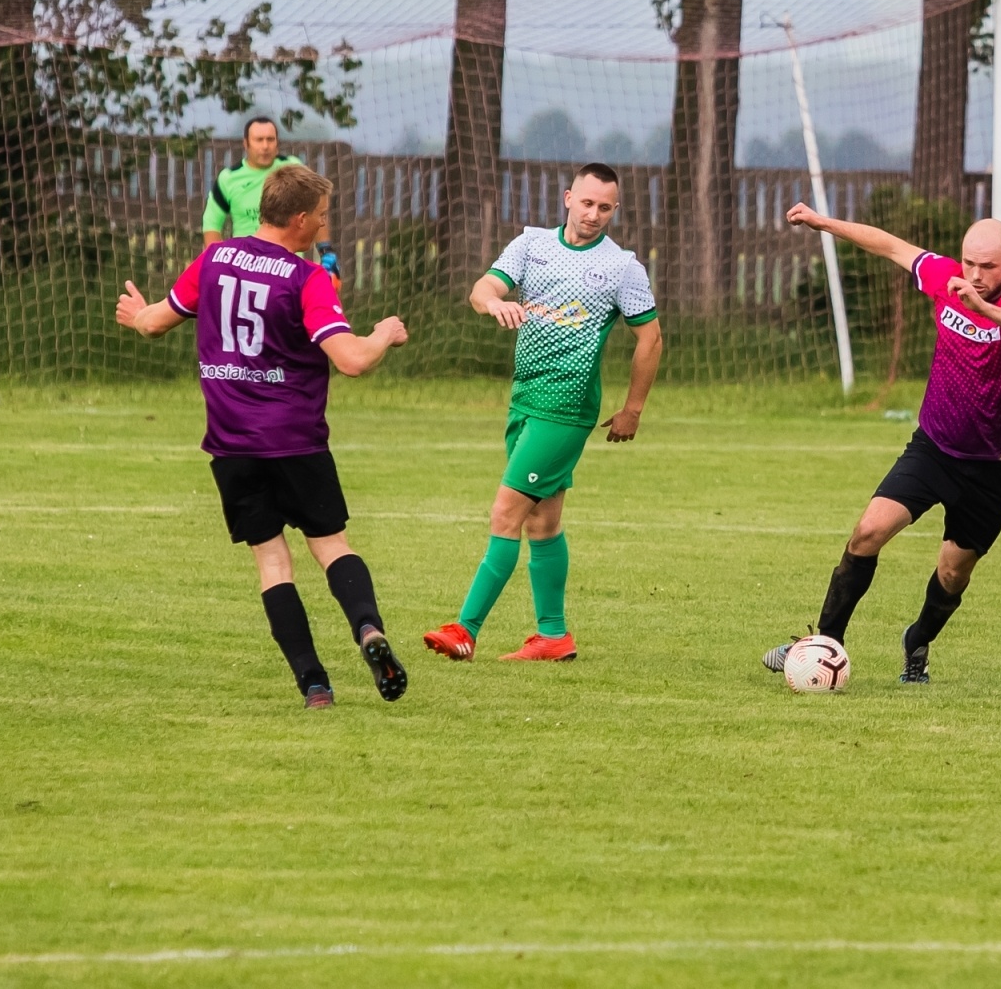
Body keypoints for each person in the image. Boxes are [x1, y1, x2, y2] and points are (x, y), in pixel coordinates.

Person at [117, 164, 410, 709]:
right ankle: (368, 630)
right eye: (321, 217)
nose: (325, 226)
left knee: (272, 564)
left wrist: (135, 316)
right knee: (330, 547)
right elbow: (349, 361)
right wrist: (382, 334)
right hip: (296, 442)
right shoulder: (306, 279)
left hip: (231, 447)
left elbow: (155, 322)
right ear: (299, 219)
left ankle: (314, 684)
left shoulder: (214, 258)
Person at [764, 207, 1001, 683]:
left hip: (994, 471)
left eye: (987, 266)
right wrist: (824, 223)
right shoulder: (946, 277)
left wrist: (984, 308)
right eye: (969, 264)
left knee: (953, 574)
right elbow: (889, 244)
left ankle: (916, 641)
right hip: (934, 448)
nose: (975, 275)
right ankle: (824, 643)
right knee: (867, 532)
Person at [422, 162, 663, 663]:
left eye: (605, 207)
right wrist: (495, 305)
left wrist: (632, 409)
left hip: (567, 407)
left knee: (505, 512)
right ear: (568, 198)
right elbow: (481, 290)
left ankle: (465, 630)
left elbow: (651, 338)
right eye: (587, 203)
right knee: (544, 524)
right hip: (525, 400)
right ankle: (553, 636)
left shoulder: (622, 267)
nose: (594, 214)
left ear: (614, 210)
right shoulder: (531, 245)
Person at [202, 116, 301, 246]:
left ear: (277, 142)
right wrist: (215, 260)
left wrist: (325, 248)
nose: (265, 146)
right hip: (246, 262)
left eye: (270, 139)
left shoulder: (294, 169)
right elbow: (211, 223)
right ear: (246, 143)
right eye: (259, 140)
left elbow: (316, 208)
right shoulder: (229, 178)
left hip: (287, 261)